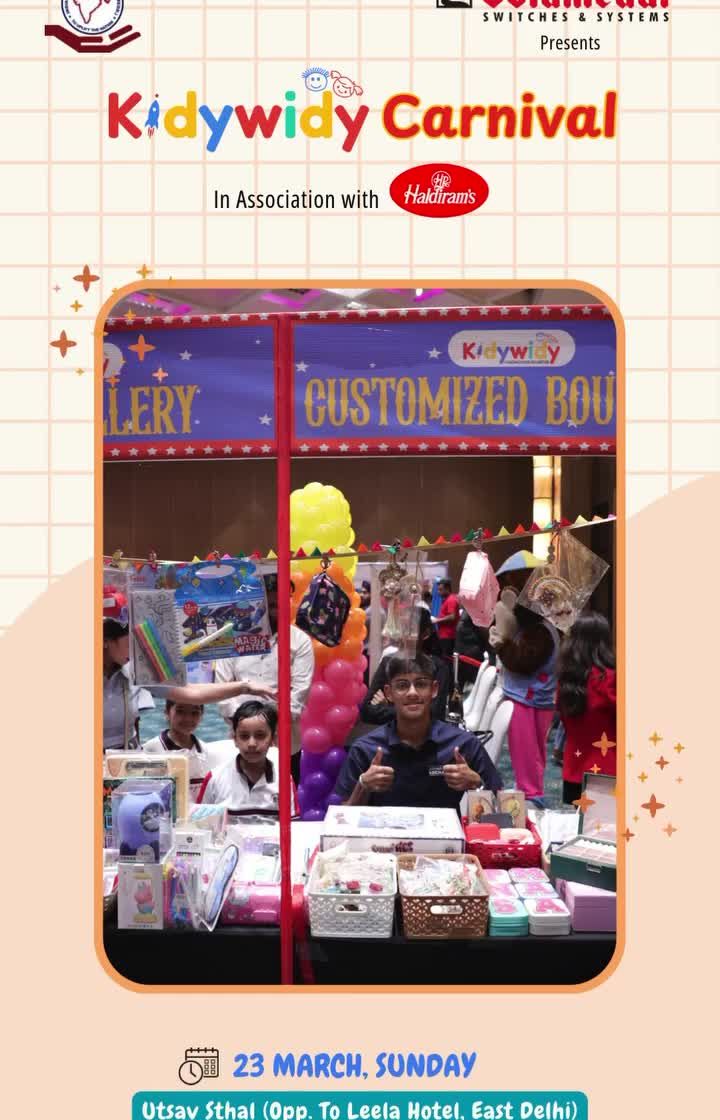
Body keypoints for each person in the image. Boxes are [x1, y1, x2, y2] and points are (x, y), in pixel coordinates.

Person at [334, 653, 501, 810]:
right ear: (389, 693)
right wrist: (363, 785)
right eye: (402, 685)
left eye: (421, 684)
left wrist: (477, 784)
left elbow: (502, 808)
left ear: (434, 689)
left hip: (444, 832)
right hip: (382, 832)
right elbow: (344, 817)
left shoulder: (463, 744)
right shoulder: (365, 749)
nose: (412, 693)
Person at [102, 617, 277, 751]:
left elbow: (190, 692)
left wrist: (244, 687)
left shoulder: (135, 668)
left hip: (125, 758)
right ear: (106, 641)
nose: (136, 651)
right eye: (129, 643)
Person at [213, 574, 314, 783]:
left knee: (286, 800)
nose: (275, 609)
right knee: (237, 798)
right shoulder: (232, 639)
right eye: (270, 604)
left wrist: (268, 730)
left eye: (280, 603)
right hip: (241, 743)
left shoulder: (300, 641)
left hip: (284, 744)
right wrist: (246, 726)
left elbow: (298, 696)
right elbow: (222, 691)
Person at [490, 592, 558, 807]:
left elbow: (522, 662)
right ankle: (531, 791)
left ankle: (531, 796)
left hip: (529, 699)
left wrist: (502, 646)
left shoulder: (539, 632)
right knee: (532, 753)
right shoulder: (541, 628)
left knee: (526, 752)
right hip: (534, 697)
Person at [557, 611, 616, 806]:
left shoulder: (566, 680)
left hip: (574, 768)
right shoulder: (609, 679)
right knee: (606, 824)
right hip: (607, 770)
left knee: (576, 822)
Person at [201, 701, 297, 817]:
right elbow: (199, 823)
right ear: (235, 739)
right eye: (244, 736)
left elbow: (294, 824)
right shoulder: (215, 779)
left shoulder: (284, 780)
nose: (252, 744)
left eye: (260, 736)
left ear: (273, 739)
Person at [359, 606, 450, 725]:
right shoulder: (388, 662)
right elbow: (366, 711)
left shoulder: (438, 667)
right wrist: (414, 709)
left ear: (425, 633)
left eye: (409, 630)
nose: (402, 636)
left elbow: (435, 714)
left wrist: (389, 707)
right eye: (400, 629)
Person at [141, 699, 236, 800]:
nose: (188, 719)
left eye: (195, 712)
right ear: (167, 713)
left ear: (201, 716)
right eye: (180, 711)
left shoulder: (205, 752)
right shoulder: (151, 750)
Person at [454, 609, 490, 688]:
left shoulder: (467, 612)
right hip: (470, 651)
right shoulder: (473, 611)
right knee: (472, 680)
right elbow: (483, 630)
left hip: (465, 650)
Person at [432, 579, 460, 661]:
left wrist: (437, 620)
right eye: (438, 590)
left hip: (448, 636)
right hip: (444, 635)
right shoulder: (446, 600)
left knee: (446, 661)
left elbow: (452, 617)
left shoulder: (451, 600)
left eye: (440, 590)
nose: (438, 592)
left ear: (447, 589)